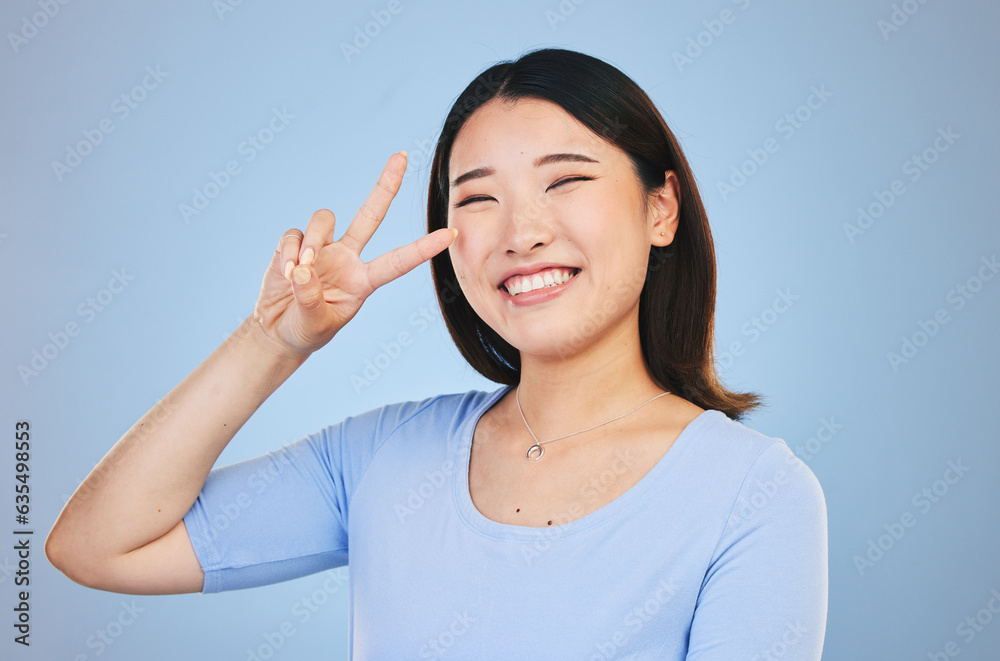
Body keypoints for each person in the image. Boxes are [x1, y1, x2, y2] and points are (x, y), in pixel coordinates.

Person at [46, 48, 828, 659]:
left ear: (661, 208)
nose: (521, 232)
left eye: (565, 181)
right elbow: (92, 543)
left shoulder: (754, 495)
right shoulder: (383, 457)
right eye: (478, 197)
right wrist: (272, 342)